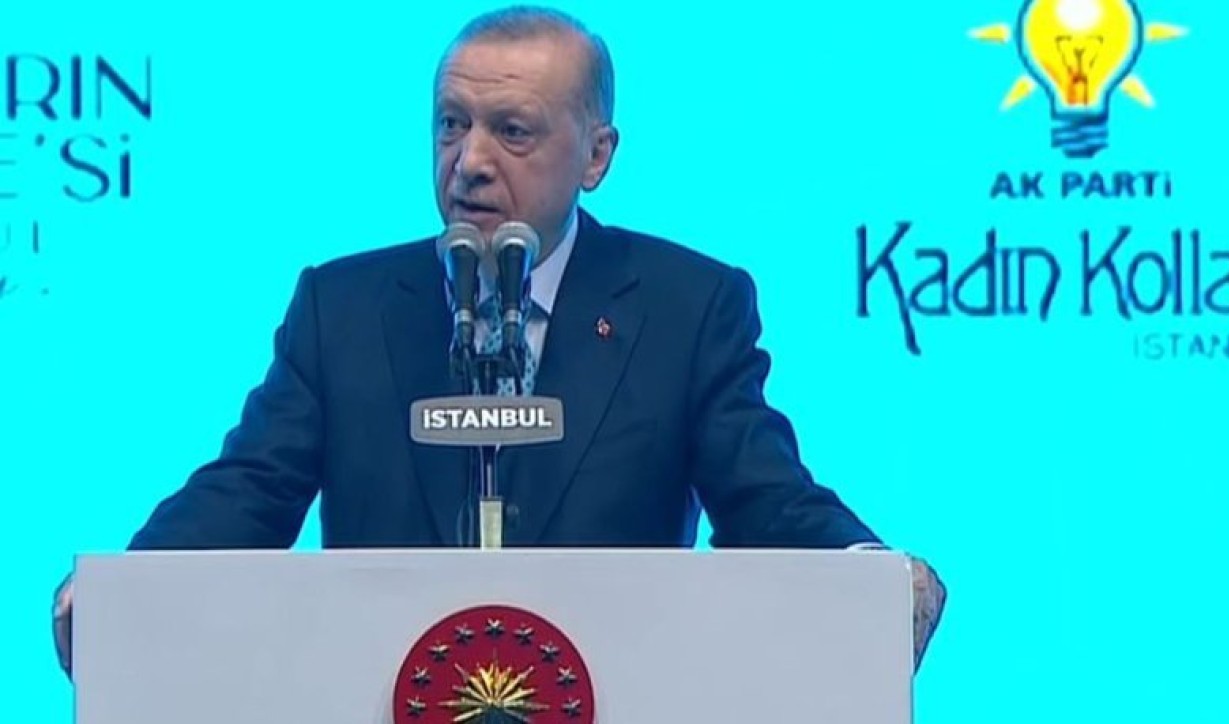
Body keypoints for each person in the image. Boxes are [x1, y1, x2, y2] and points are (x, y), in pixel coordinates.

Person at [52, 4, 945, 677]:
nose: (470, 161)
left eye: (512, 131)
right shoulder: (345, 306)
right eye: (451, 124)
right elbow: (249, 491)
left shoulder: (687, 306)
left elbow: (763, 495)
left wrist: (867, 574)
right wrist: (126, 591)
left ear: (596, 156)